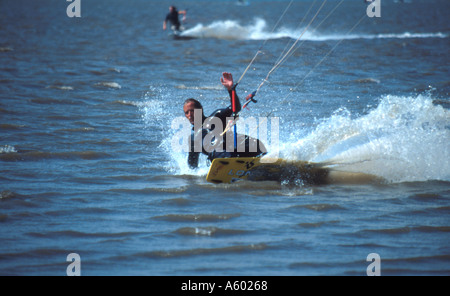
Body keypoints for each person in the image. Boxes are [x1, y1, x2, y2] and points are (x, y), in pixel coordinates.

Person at [183, 72, 266, 169]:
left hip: (236, 148)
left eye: (192, 111)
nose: (189, 115)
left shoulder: (216, 117)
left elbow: (236, 108)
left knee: (254, 143)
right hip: (223, 157)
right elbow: (192, 168)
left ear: (200, 109)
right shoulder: (194, 139)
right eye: (186, 113)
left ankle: (267, 161)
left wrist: (231, 90)